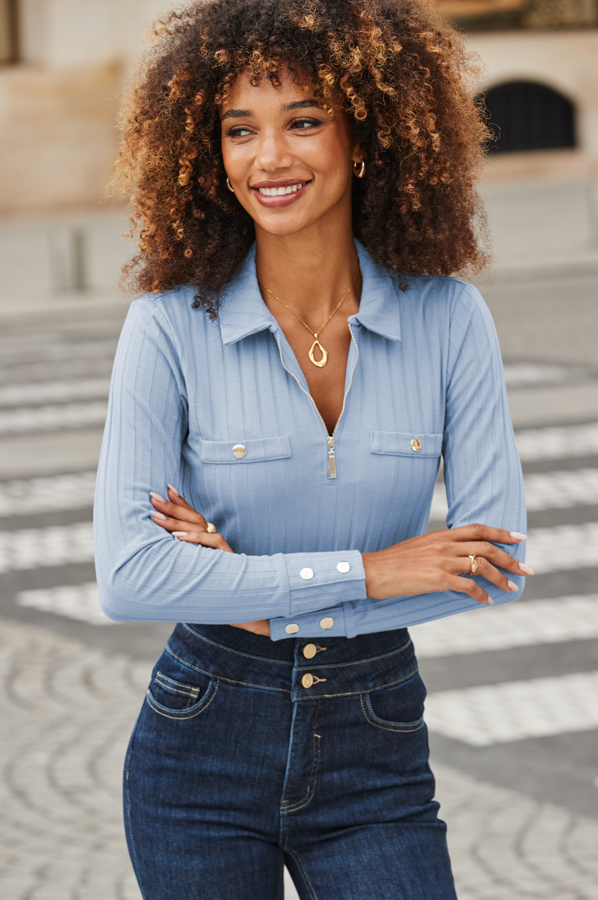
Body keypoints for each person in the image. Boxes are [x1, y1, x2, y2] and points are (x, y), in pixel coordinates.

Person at [94, 0, 530, 896]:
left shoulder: (450, 319)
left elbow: (493, 564)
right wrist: (374, 573)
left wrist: (246, 591)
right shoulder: (165, 331)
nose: (270, 159)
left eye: (303, 121)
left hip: (376, 744)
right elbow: (129, 577)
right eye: (238, 130)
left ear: (362, 135)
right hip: (198, 750)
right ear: (211, 154)